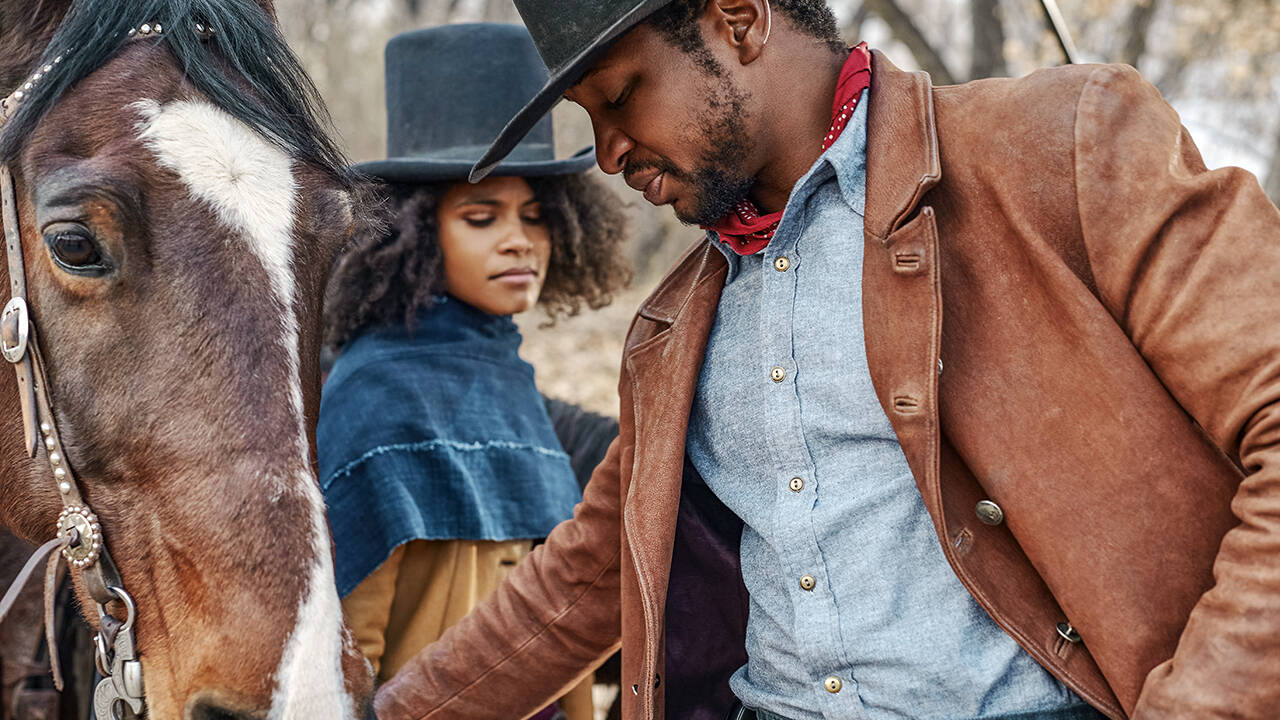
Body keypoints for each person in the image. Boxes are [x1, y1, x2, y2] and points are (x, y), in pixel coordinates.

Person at [373, 2, 1280, 719]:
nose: (606, 154)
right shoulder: (672, 325)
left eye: (619, 99)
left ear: (739, 21)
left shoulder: (1064, 145)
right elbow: (592, 575)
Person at [316, 23, 629, 720]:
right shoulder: (375, 390)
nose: (520, 240)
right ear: (420, 233)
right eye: (482, 218)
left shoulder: (506, 375)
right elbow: (348, 651)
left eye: (536, 216)